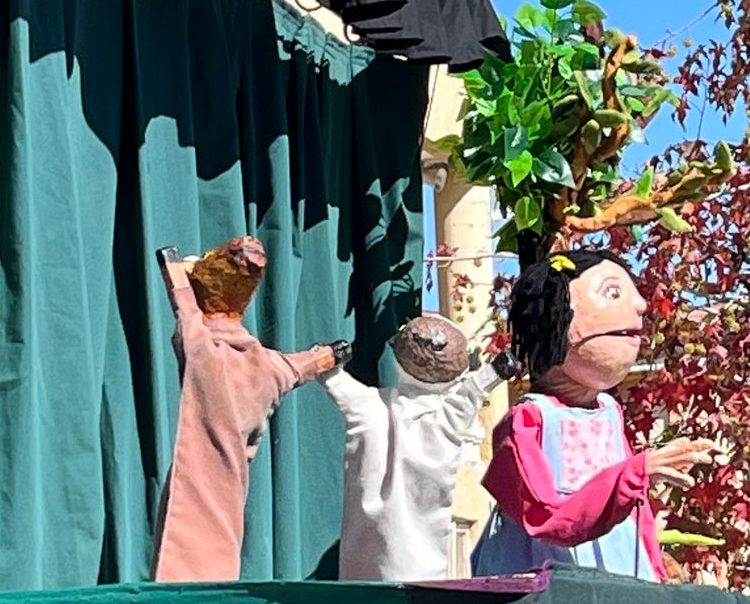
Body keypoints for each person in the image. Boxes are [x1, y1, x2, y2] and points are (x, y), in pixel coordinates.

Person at [471, 250, 712, 581]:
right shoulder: (528, 420)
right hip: (549, 579)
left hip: (618, 575)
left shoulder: (609, 411)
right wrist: (634, 473)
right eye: (613, 293)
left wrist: (653, 567)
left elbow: (637, 512)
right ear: (556, 317)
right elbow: (544, 518)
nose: (641, 305)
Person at [151, 238, 343, 582]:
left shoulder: (201, 349)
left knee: (186, 558)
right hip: (231, 483)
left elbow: (186, 309)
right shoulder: (264, 365)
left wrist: (174, 271)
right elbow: (297, 367)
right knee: (219, 552)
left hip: (201, 480)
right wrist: (327, 356)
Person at [321, 313, 518, 581]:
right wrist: (494, 372)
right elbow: (472, 391)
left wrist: (329, 357)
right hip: (424, 573)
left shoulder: (367, 406)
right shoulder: (447, 419)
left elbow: (331, 377)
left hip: (361, 572)